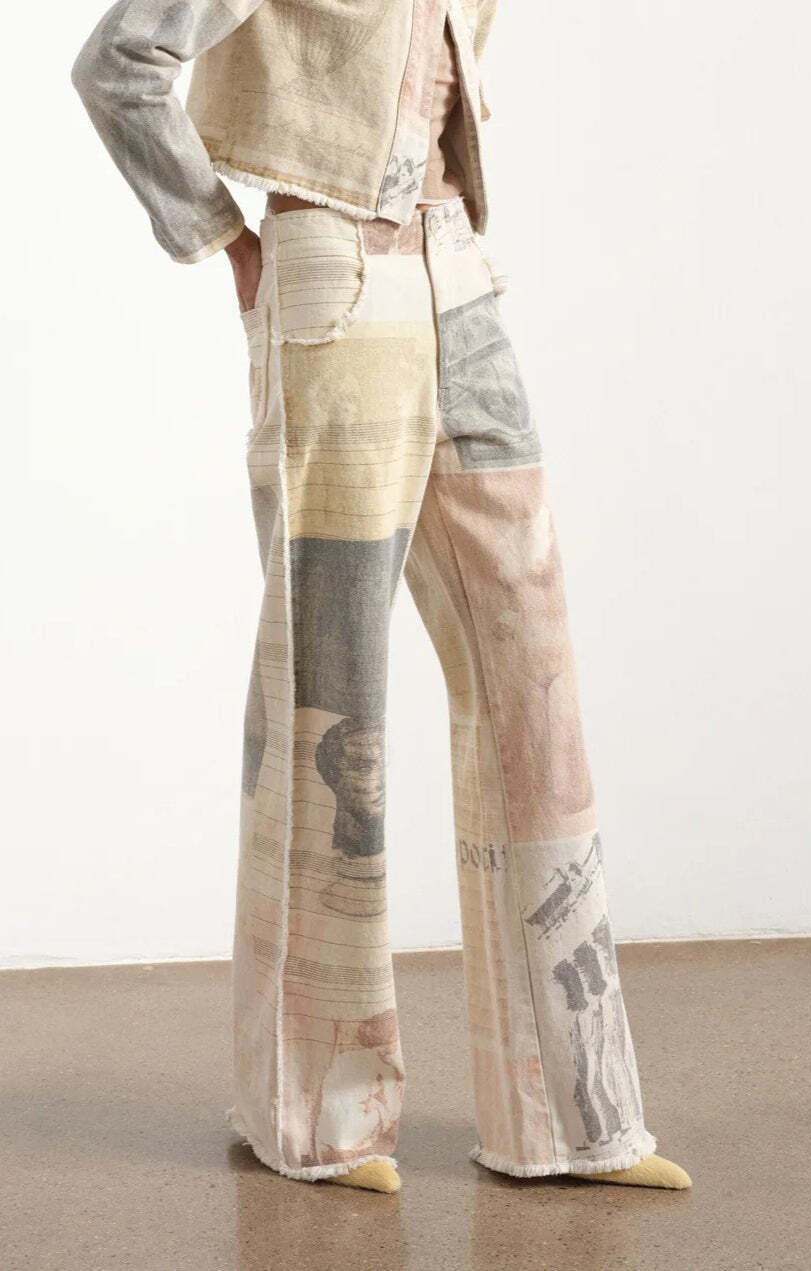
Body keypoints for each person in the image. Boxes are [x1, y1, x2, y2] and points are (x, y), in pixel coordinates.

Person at [71, 0, 691, 1194]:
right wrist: (228, 240)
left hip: (460, 271)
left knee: (530, 665)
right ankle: (310, 1114)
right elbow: (120, 63)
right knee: (331, 689)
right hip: (333, 274)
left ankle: (572, 1116)